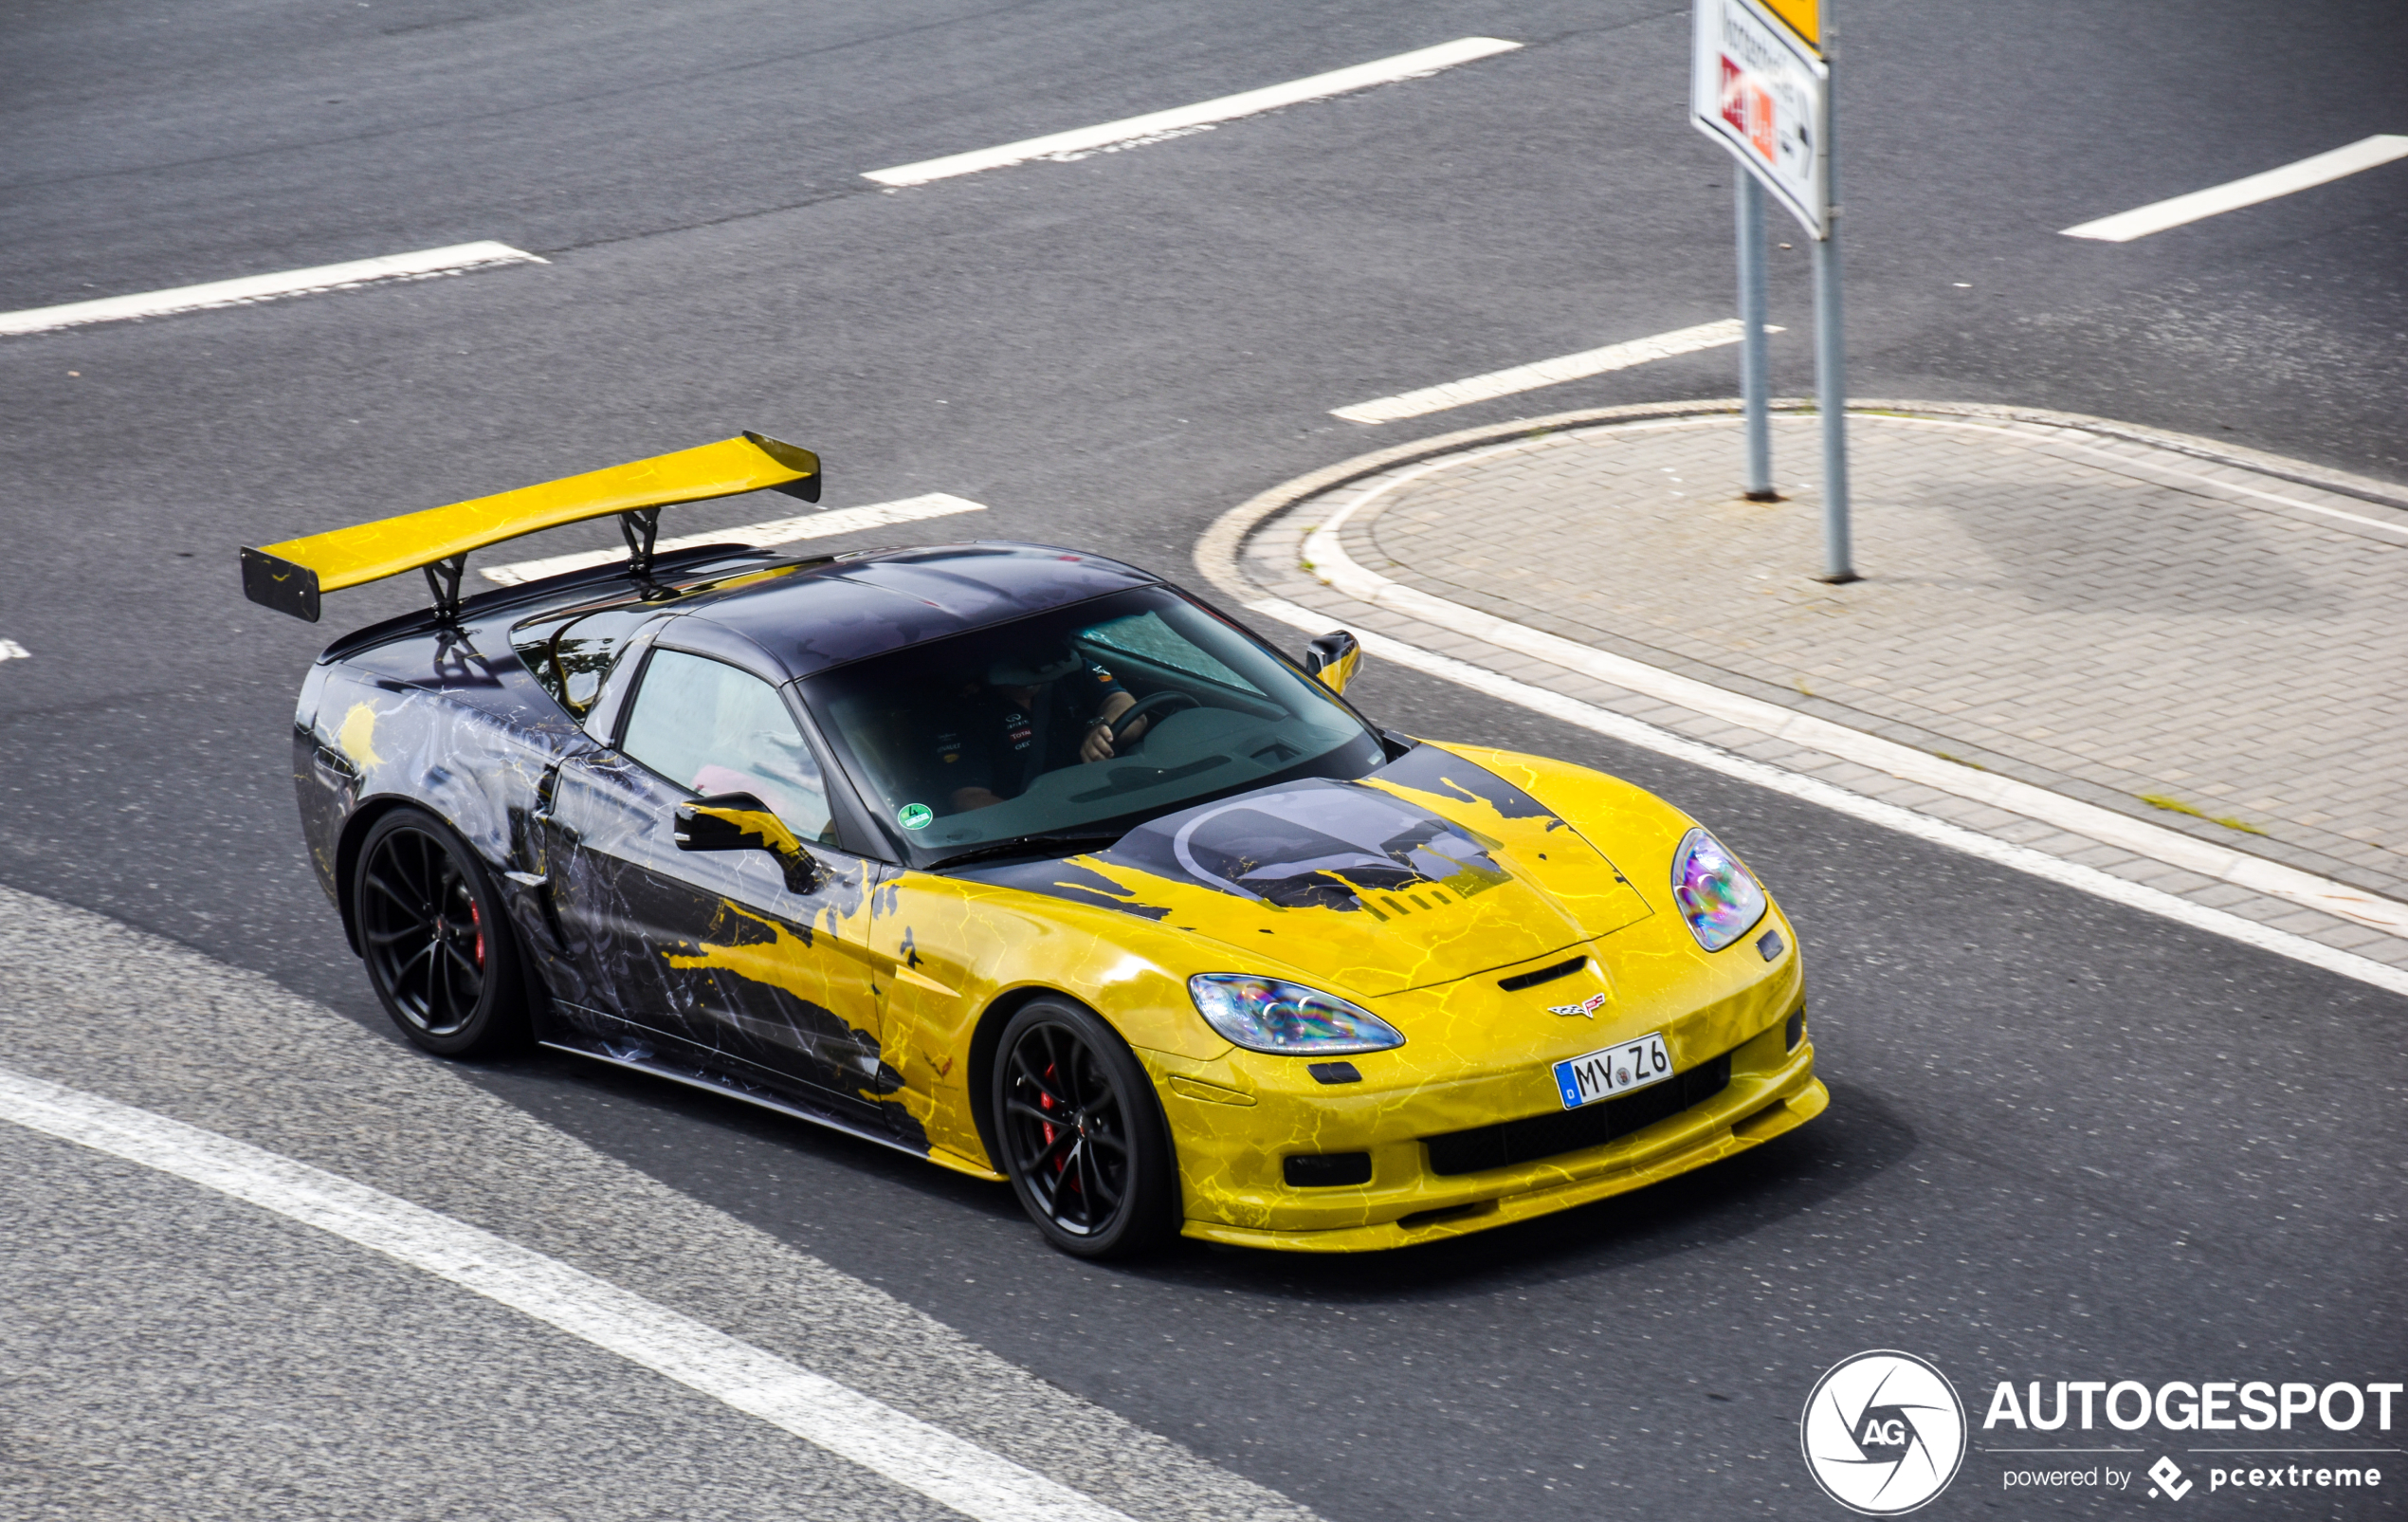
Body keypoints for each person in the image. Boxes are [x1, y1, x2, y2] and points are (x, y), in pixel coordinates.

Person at [935, 642, 1153, 813]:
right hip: (1042, 821)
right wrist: (1037, 819)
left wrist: (1102, 727)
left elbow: (1130, 711)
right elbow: (968, 797)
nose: (1032, 679)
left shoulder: (1074, 671)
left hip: (1117, 799)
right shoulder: (965, 712)